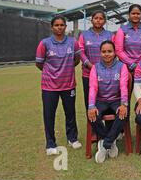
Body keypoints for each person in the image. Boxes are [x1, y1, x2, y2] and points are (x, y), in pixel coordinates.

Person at [35, 15, 82, 155]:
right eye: (56, 25)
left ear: (65, 27)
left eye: (62, 25)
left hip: (68, 85)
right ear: (52, 27)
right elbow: (39, 63)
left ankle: (72, 139)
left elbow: (77, 60)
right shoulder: (44, 43)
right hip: (49, 86)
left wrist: (65, 70)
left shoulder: (73, 42)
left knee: (70, 113)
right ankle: (50, 144)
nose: (59, 27)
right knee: (49, 115)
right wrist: (52, 73)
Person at [87, 41, 129, 163]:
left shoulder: (122, 66)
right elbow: (93, 87)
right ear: (100, 53)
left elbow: (123, 87)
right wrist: (91, 106)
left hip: (116, 100)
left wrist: (123, 104)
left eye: (109, 51)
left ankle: (105, 144)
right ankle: (110, 140)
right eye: (104, 52)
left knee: (122, 114)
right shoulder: (95, 67)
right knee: (92, 115)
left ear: (115, 52)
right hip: (101, 100)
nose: (107, 54)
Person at [78, 10, 115, 111]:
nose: (98, 21)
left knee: (108, 101)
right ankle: (93, 125)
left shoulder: (110, 35)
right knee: (90, 101)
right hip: (88, 74)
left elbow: (114, 52)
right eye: (96, 18)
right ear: (92, 20)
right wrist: (91, 66)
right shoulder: (84, 35)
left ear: (105, 21)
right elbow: (80, 51)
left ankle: (109, 127)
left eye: (101, 18)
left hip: (108, 74)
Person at [115, 4, 141, 74]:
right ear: (129, 15)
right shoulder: (122, 30)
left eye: (138, 13)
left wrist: (140, 64)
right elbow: (118, 50)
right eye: (133, 13)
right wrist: (131, 64)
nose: (135, 15)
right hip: (125, 68)